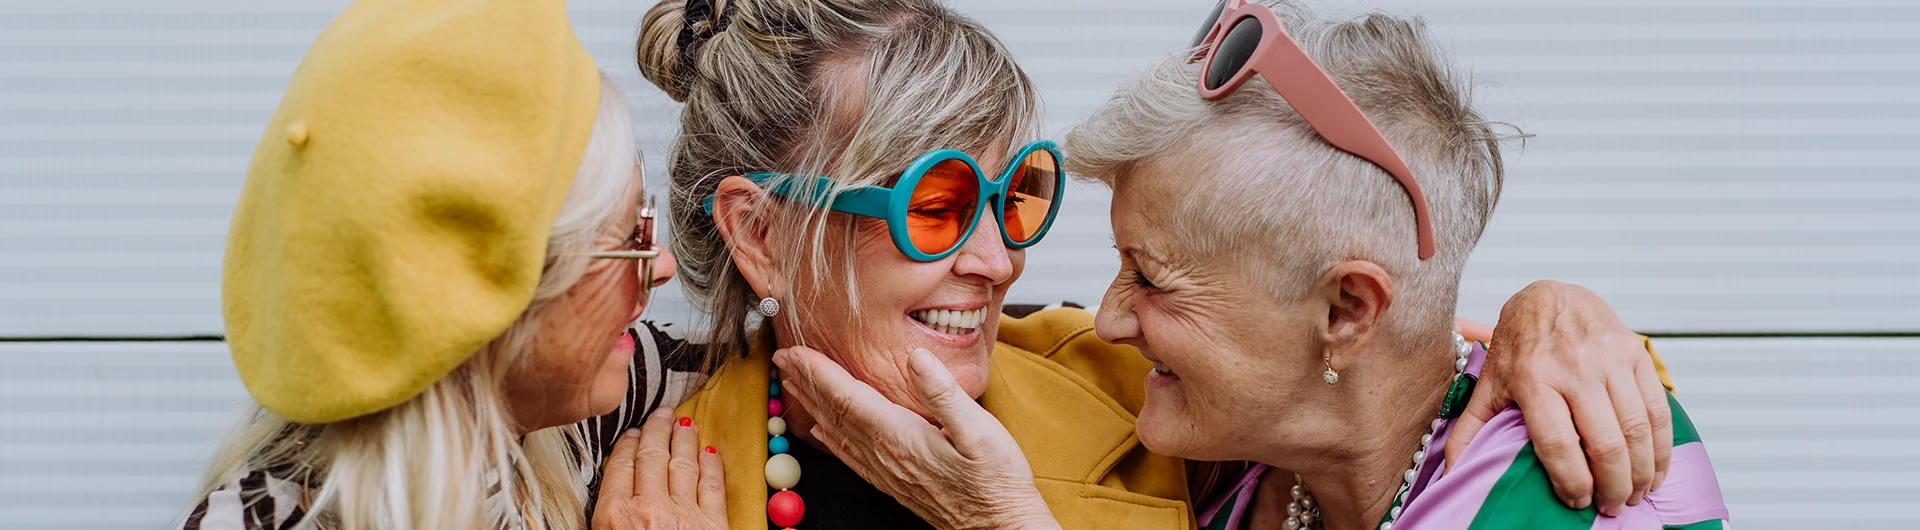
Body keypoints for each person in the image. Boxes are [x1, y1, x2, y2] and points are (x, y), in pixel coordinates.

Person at [631, 0, 1680, 528]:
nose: (998, 259)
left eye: (1015, 193)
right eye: (936, 206)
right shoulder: (650, 473)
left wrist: (1558, 315)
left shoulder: (1133, 393)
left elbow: (1383, 363)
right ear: (762, 236)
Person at [177, 1, 723, 528]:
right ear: (491, 293)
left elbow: (766, 363)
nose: (663, 265)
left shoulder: (585, 407)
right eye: (633, 235)